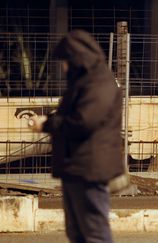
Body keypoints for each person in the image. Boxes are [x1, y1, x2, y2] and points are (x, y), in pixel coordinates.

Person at [29, 30, 124, 242]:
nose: (63, 67)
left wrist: (47, 123)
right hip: (77, 166)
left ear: (77, 58)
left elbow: (84, 121)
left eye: (66, 61)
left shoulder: (98, 83)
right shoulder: (86, 81)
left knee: (93, 232)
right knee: (77, 232)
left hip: (89, 168)